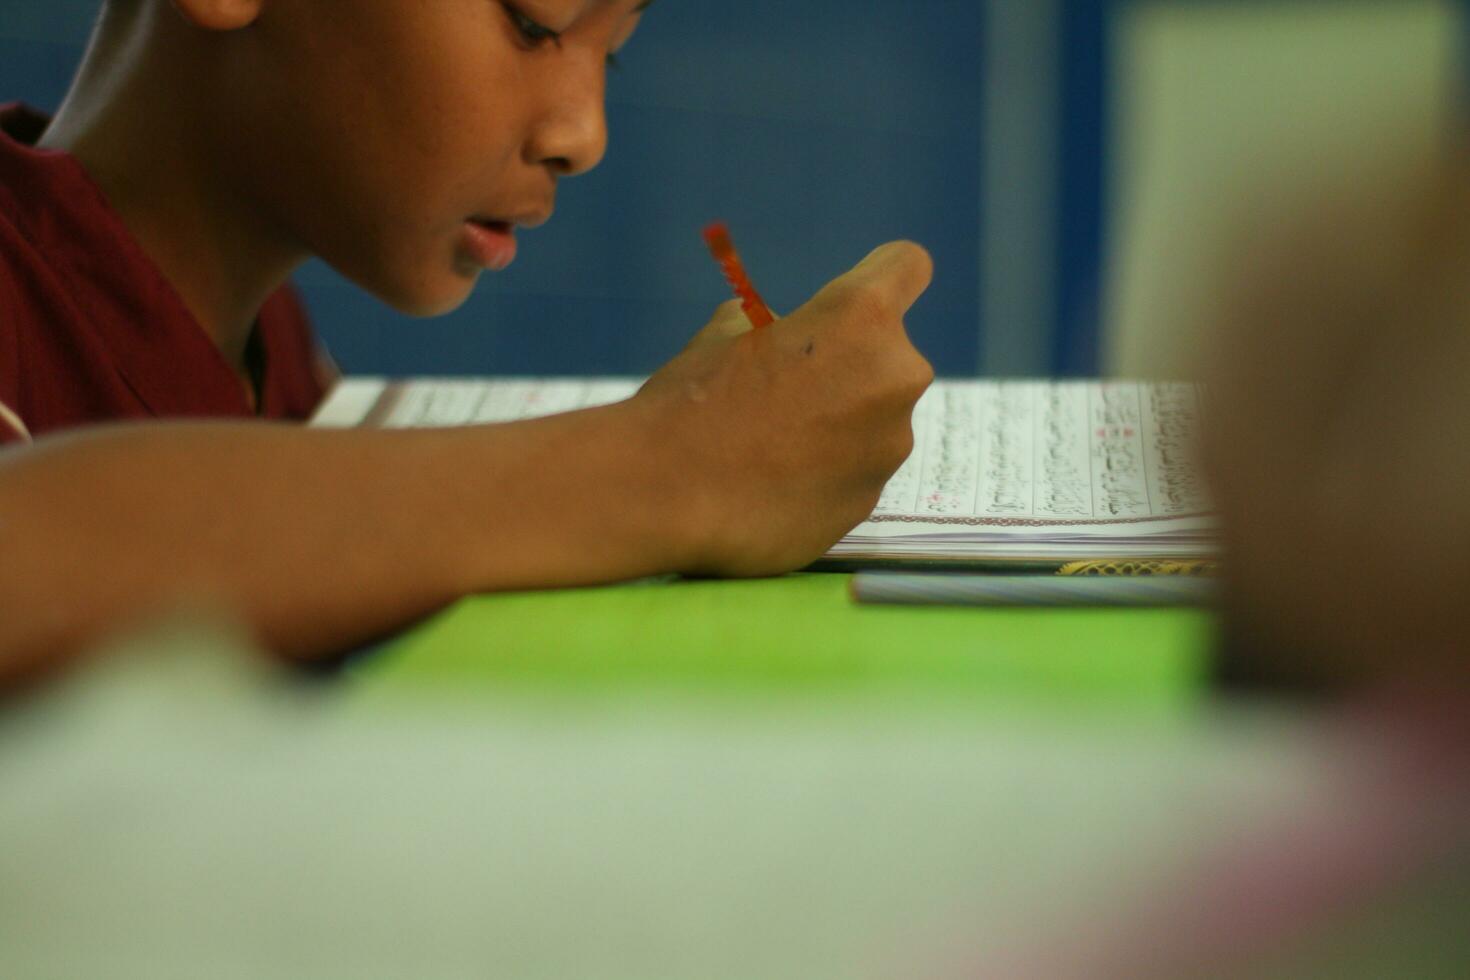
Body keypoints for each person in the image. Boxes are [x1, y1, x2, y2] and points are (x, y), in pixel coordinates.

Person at [0, 0, 935, 688]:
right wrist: (673, 462)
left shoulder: (272, 356)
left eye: (611, 57)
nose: (584, 135)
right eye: (535, 24)